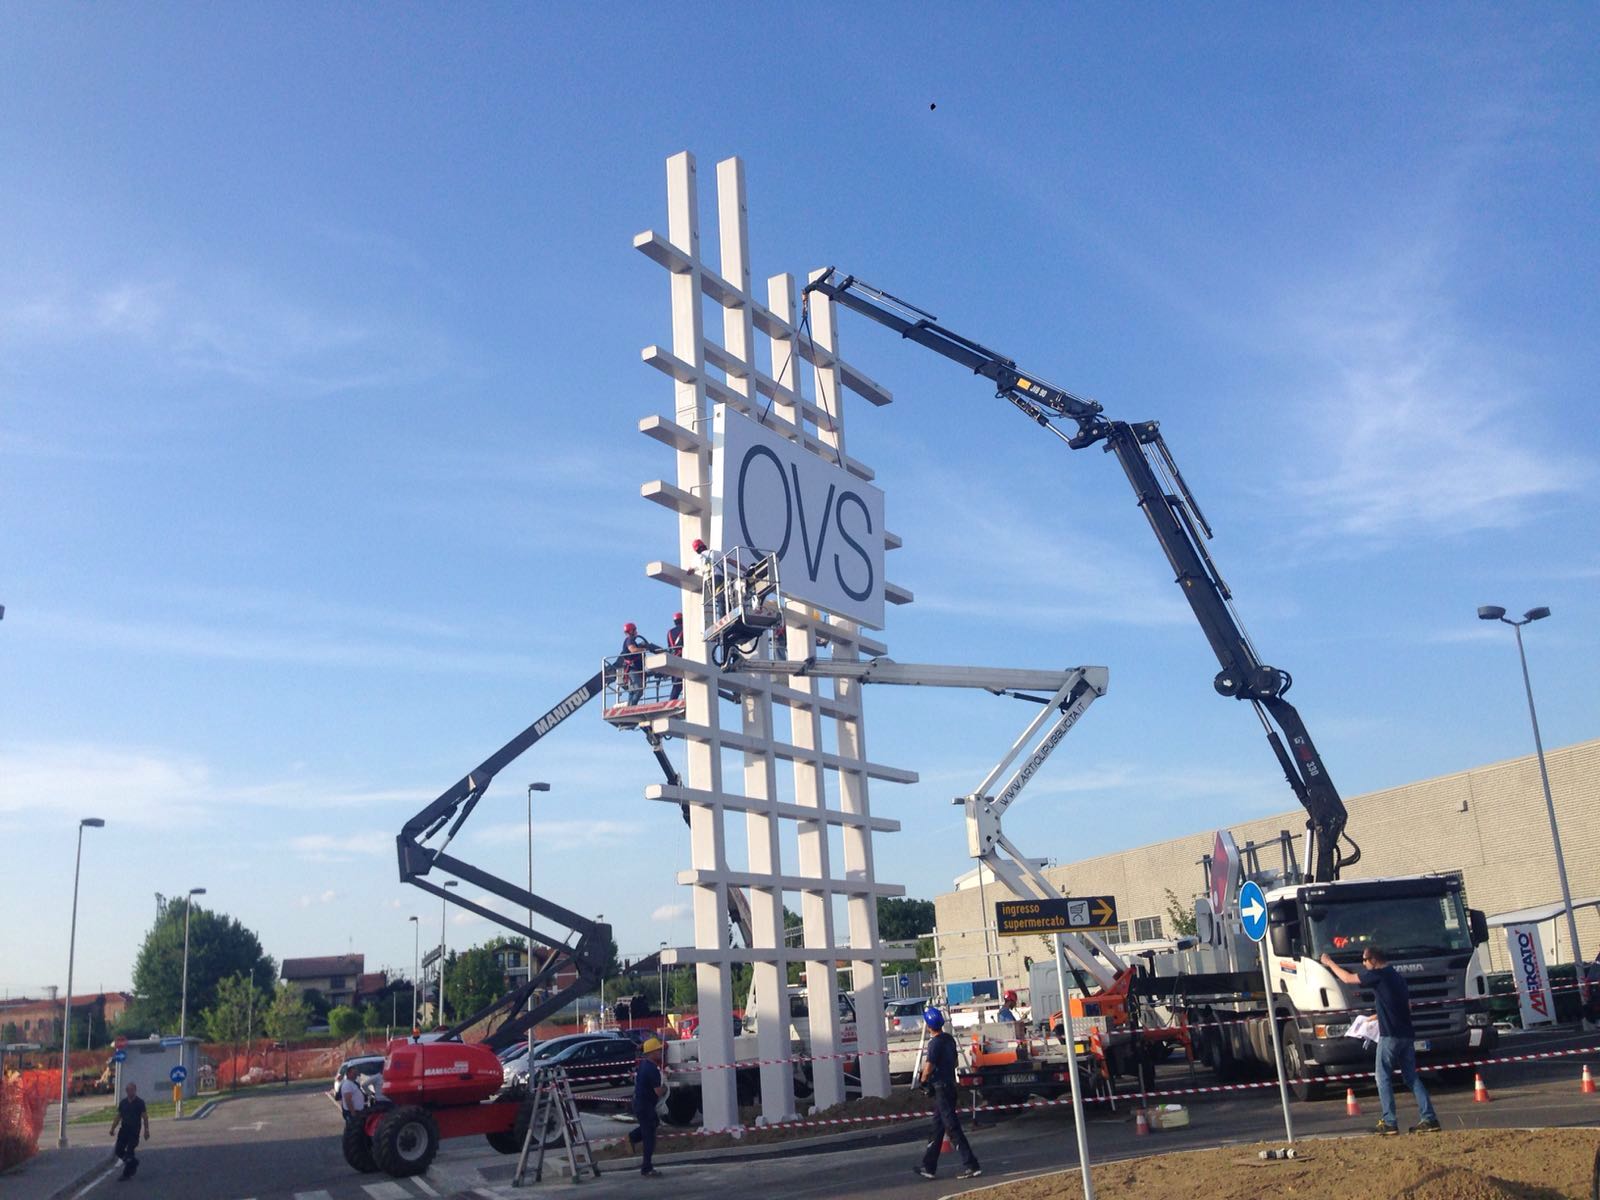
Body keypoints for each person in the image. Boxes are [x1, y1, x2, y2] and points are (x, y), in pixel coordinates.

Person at [1321, 945, 1440, 1135]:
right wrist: (1376, 1017)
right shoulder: (1397, 977)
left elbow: (1347, 978)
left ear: (1374, 960)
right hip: (1406, 1034)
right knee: (1411, 1077)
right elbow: (1404, 1006)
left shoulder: (1378, 975)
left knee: (1382, 1077)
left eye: (1365, 960)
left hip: (1390, 1035)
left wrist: (1329, 963)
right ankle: (1429, 1118)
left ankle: (1389, 1121)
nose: (1363, 963)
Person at [914, 1007, 980, 1180]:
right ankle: (929, 1166)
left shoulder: (934, 1043)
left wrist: (922, 1082)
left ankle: (971, 1164)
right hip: (950, 1085)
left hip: (941, 1088)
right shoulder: (949, 1039)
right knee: (938, 1127)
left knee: (951, 1127)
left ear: (928, 1025)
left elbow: (929, 1067)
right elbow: (955, 1061)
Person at [627, 1036, 668, 1177]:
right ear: (652, 1052)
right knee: (649, 1137)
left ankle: (632, 1137)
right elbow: (658, 1091)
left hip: (640, 1104)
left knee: (653, 1124)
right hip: (646, 1106)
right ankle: (647, 1168)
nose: (660, 1052)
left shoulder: (644, 1065)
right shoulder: (652, 1069)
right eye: (658, 1050)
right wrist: (666, 1087)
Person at [108, 1081, 150, 1180]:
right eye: (128, 1090)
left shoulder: (140, 1102)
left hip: (134, 1131)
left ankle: (126, 1174)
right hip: (124, 1130)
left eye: (132, 1090)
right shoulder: (123, 1103)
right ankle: (133, 1162)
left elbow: (145, 1117)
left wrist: (146, 1130)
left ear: (135, 1090)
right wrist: (112, 1128)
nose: (130, 1092)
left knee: (130, 1152)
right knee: (118, 1150)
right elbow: (118, 1116)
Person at [619, 622, 647, 706]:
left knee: (633, 691)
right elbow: (633, 650)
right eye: (635, 630)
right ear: (631, 631)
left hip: (634, 668)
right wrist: (644, 649)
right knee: (639, 690)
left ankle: (629, 706)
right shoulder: (630, 639)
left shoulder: (630, 640)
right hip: (632, 669)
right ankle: (631, 707)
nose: (636, 631)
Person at [666, 612, 684, 701]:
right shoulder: (685, 630)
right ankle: (672, 700)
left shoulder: (670, 632)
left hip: (673, 658)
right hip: (682, 657)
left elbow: (670, 647)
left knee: (676, 683)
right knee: (681, 683)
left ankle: (672, 699)